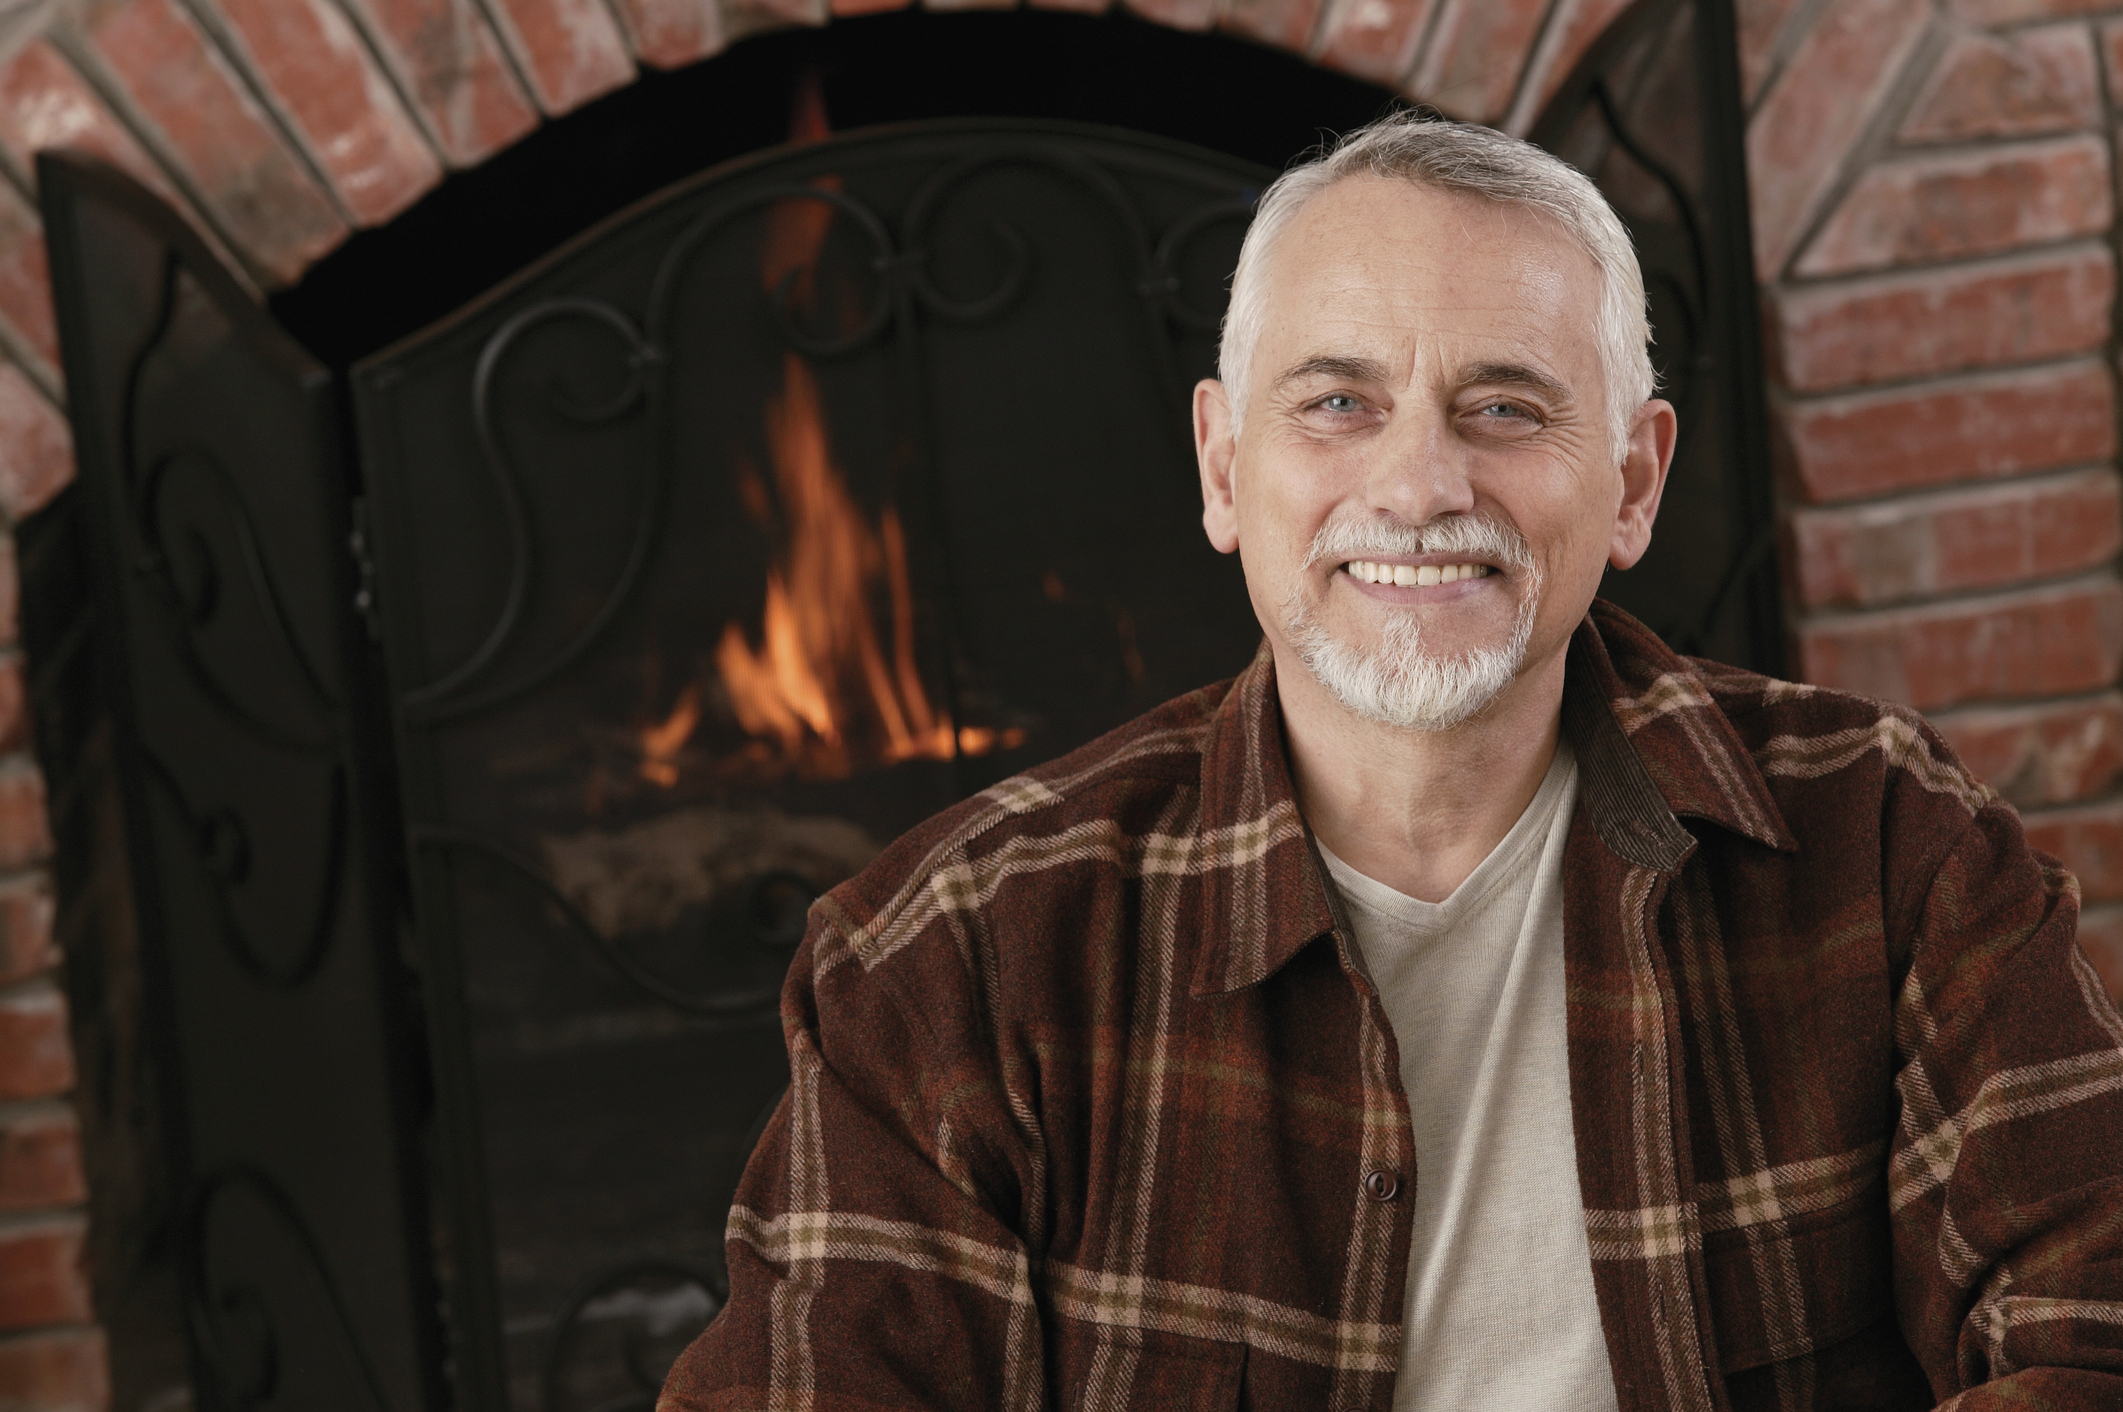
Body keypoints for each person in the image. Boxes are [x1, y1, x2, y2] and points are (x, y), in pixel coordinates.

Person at [658, 113, 2123, 1411]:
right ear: (1228, 471)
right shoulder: (955, 958)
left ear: (1633, 481)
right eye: (1339, 404)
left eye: (1504, 405)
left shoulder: (1889, 839)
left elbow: (2094, 1329)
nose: (1419, 485)